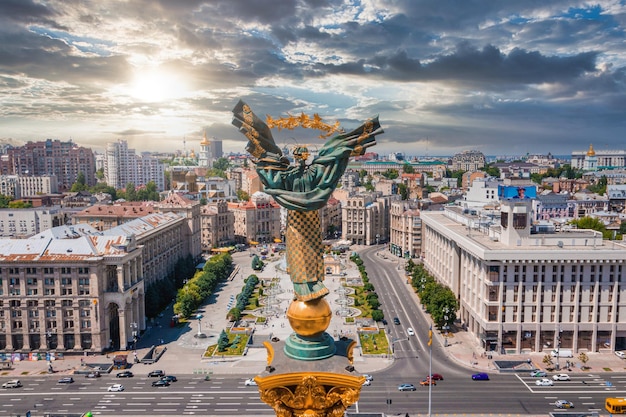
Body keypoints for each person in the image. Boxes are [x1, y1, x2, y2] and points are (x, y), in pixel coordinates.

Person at [233, 101, 384, 302]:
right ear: (305, 156)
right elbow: (332, 165)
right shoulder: (314, 171)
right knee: (311, 248)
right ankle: (310, 284)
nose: (300, 158)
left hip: (297, 222)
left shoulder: (287, 175)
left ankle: (305, 285)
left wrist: (264, 153)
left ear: (297, 157)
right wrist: (344, 148)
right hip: (311, 220)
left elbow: (268, 169)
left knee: (300, 250)